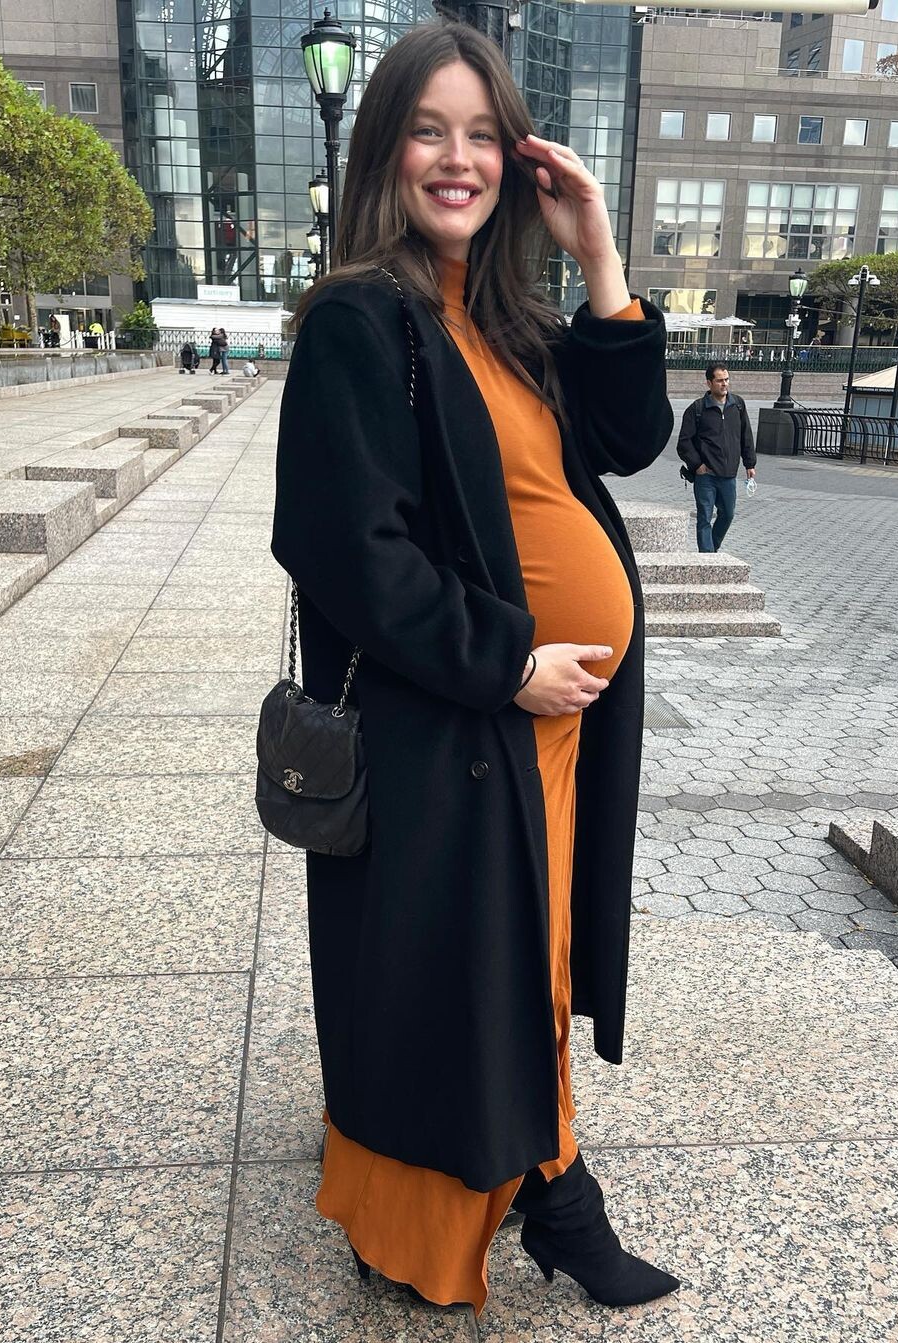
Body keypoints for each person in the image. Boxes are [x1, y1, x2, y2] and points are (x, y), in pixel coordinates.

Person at [271, 20, 677, 1318]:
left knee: (517, 963)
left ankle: (545, 1186)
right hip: (452, 724)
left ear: (518, 158)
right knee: (465, 979)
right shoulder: (360, 320)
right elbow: (351, 552)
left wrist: (598, 254)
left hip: (541, 723)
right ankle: (522, 1205)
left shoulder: (507, 319)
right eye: (428, 131)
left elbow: (628, 438)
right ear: (384, 152)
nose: (457, 158)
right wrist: (506, 663)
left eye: (482, 135)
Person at [676, 363, 756, 553]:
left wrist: (749, 463)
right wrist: (697, 465)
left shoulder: (737, 405)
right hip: (706, 475)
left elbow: (746, 435)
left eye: (726, 379)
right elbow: (684, 443)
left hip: (728, 475)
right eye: (719, 380)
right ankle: (707, 556)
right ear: (709, 383)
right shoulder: (697, 409)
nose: (724, 384)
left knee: (727, 514)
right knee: (704, 517)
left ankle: (711, 551)